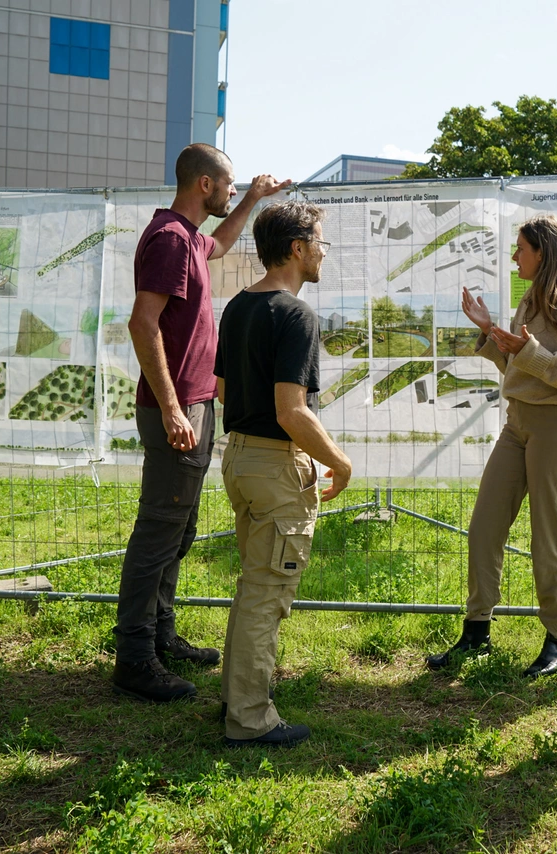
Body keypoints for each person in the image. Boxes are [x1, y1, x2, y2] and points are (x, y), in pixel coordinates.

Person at [111, 143, 290, 703]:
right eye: (231, 184)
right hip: (176, 407)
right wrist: (170, 408)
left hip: (194, 403)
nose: (234, 191)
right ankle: (134, 655)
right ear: (204, 185)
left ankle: (160, 636)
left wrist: (256, 200)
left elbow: (223, 242)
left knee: (178, 529)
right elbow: (143, 324)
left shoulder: (190, 238)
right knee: (158, 531)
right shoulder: (168, 239)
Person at [425, 214, 557, 679]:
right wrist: (491, 332)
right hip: (519, 421)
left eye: (521, 249)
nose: (514, 257)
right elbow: (518, 368)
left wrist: (527, 352)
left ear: (542, 252)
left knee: (548, 533)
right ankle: (477, 632)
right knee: (485, 524)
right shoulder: (529, 301)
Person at [214, 201, 352, 747]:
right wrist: (338, 462)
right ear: (297, 248)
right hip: (273, 465)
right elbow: (291, 410)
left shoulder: (237, 307)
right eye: (319, 241)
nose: (323, 251)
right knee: (266, 594)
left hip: (239, 458)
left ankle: (235, 695)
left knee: (254, 586)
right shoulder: (296, 314)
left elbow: (224, 389)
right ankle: (248, 717)